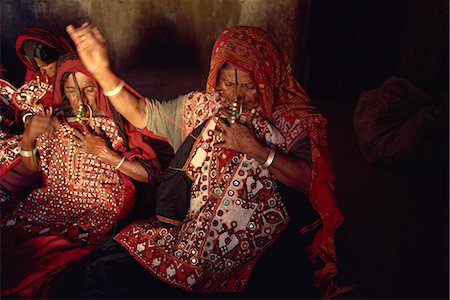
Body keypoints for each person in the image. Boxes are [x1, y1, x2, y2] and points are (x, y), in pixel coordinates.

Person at [63, 23, 344, 298]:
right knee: (104, 268)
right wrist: (101, 71)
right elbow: (141, 113)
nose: (237, 96)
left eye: (248, 85)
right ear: (216, 76)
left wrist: (256, 149)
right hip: (190, 237)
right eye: (228, 83)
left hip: (256, 250)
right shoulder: (203, 108)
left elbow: (311, 181)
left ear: (267, 78)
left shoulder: (295, 121)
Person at [0, 52, 162, 298]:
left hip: (98, 206)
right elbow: (35, 169)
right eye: (72, 91)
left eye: (89, 89)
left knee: (50, 256)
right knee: (12, 236)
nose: (82, 99)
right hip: (52, 200)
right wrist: (28, 138)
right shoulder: (55, 121)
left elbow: (151, 176)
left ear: (100, 86)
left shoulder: (117, 122)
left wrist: (105, 154)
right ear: (63, 92)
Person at [0, 25, 73, 205]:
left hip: (61, 141)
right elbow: (22, 111)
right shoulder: (35, 77)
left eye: (47, 65)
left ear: (59, 53)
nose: (43, 72)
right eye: (37, 67)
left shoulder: (76, 77)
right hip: (33, 138)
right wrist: (29, 120)